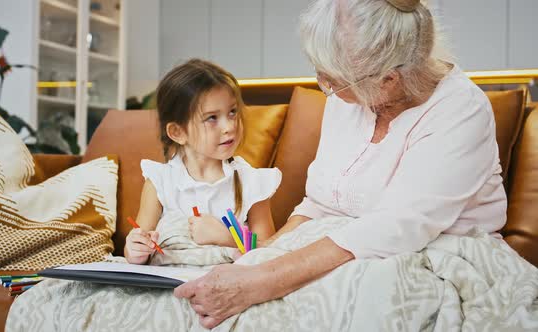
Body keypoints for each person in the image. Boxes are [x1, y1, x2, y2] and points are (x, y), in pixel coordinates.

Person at [174, 0, 507, 328]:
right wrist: (261, 257)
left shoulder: (461, 111)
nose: (326, 88)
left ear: (388, 79)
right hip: (347, 248)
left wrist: (261, 281)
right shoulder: (352, 98)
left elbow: (395, 228)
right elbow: (319, 203)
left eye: (331, 79)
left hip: (430, 252)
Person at [124, 59, 281, 265]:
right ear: (178, 132)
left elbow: (269, 251)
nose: (229, 126)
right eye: (212, 118)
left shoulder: (250, 181)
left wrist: (226, 237)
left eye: (232, 112)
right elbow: (137, 249)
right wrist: (135, 248)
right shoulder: (160, 181)